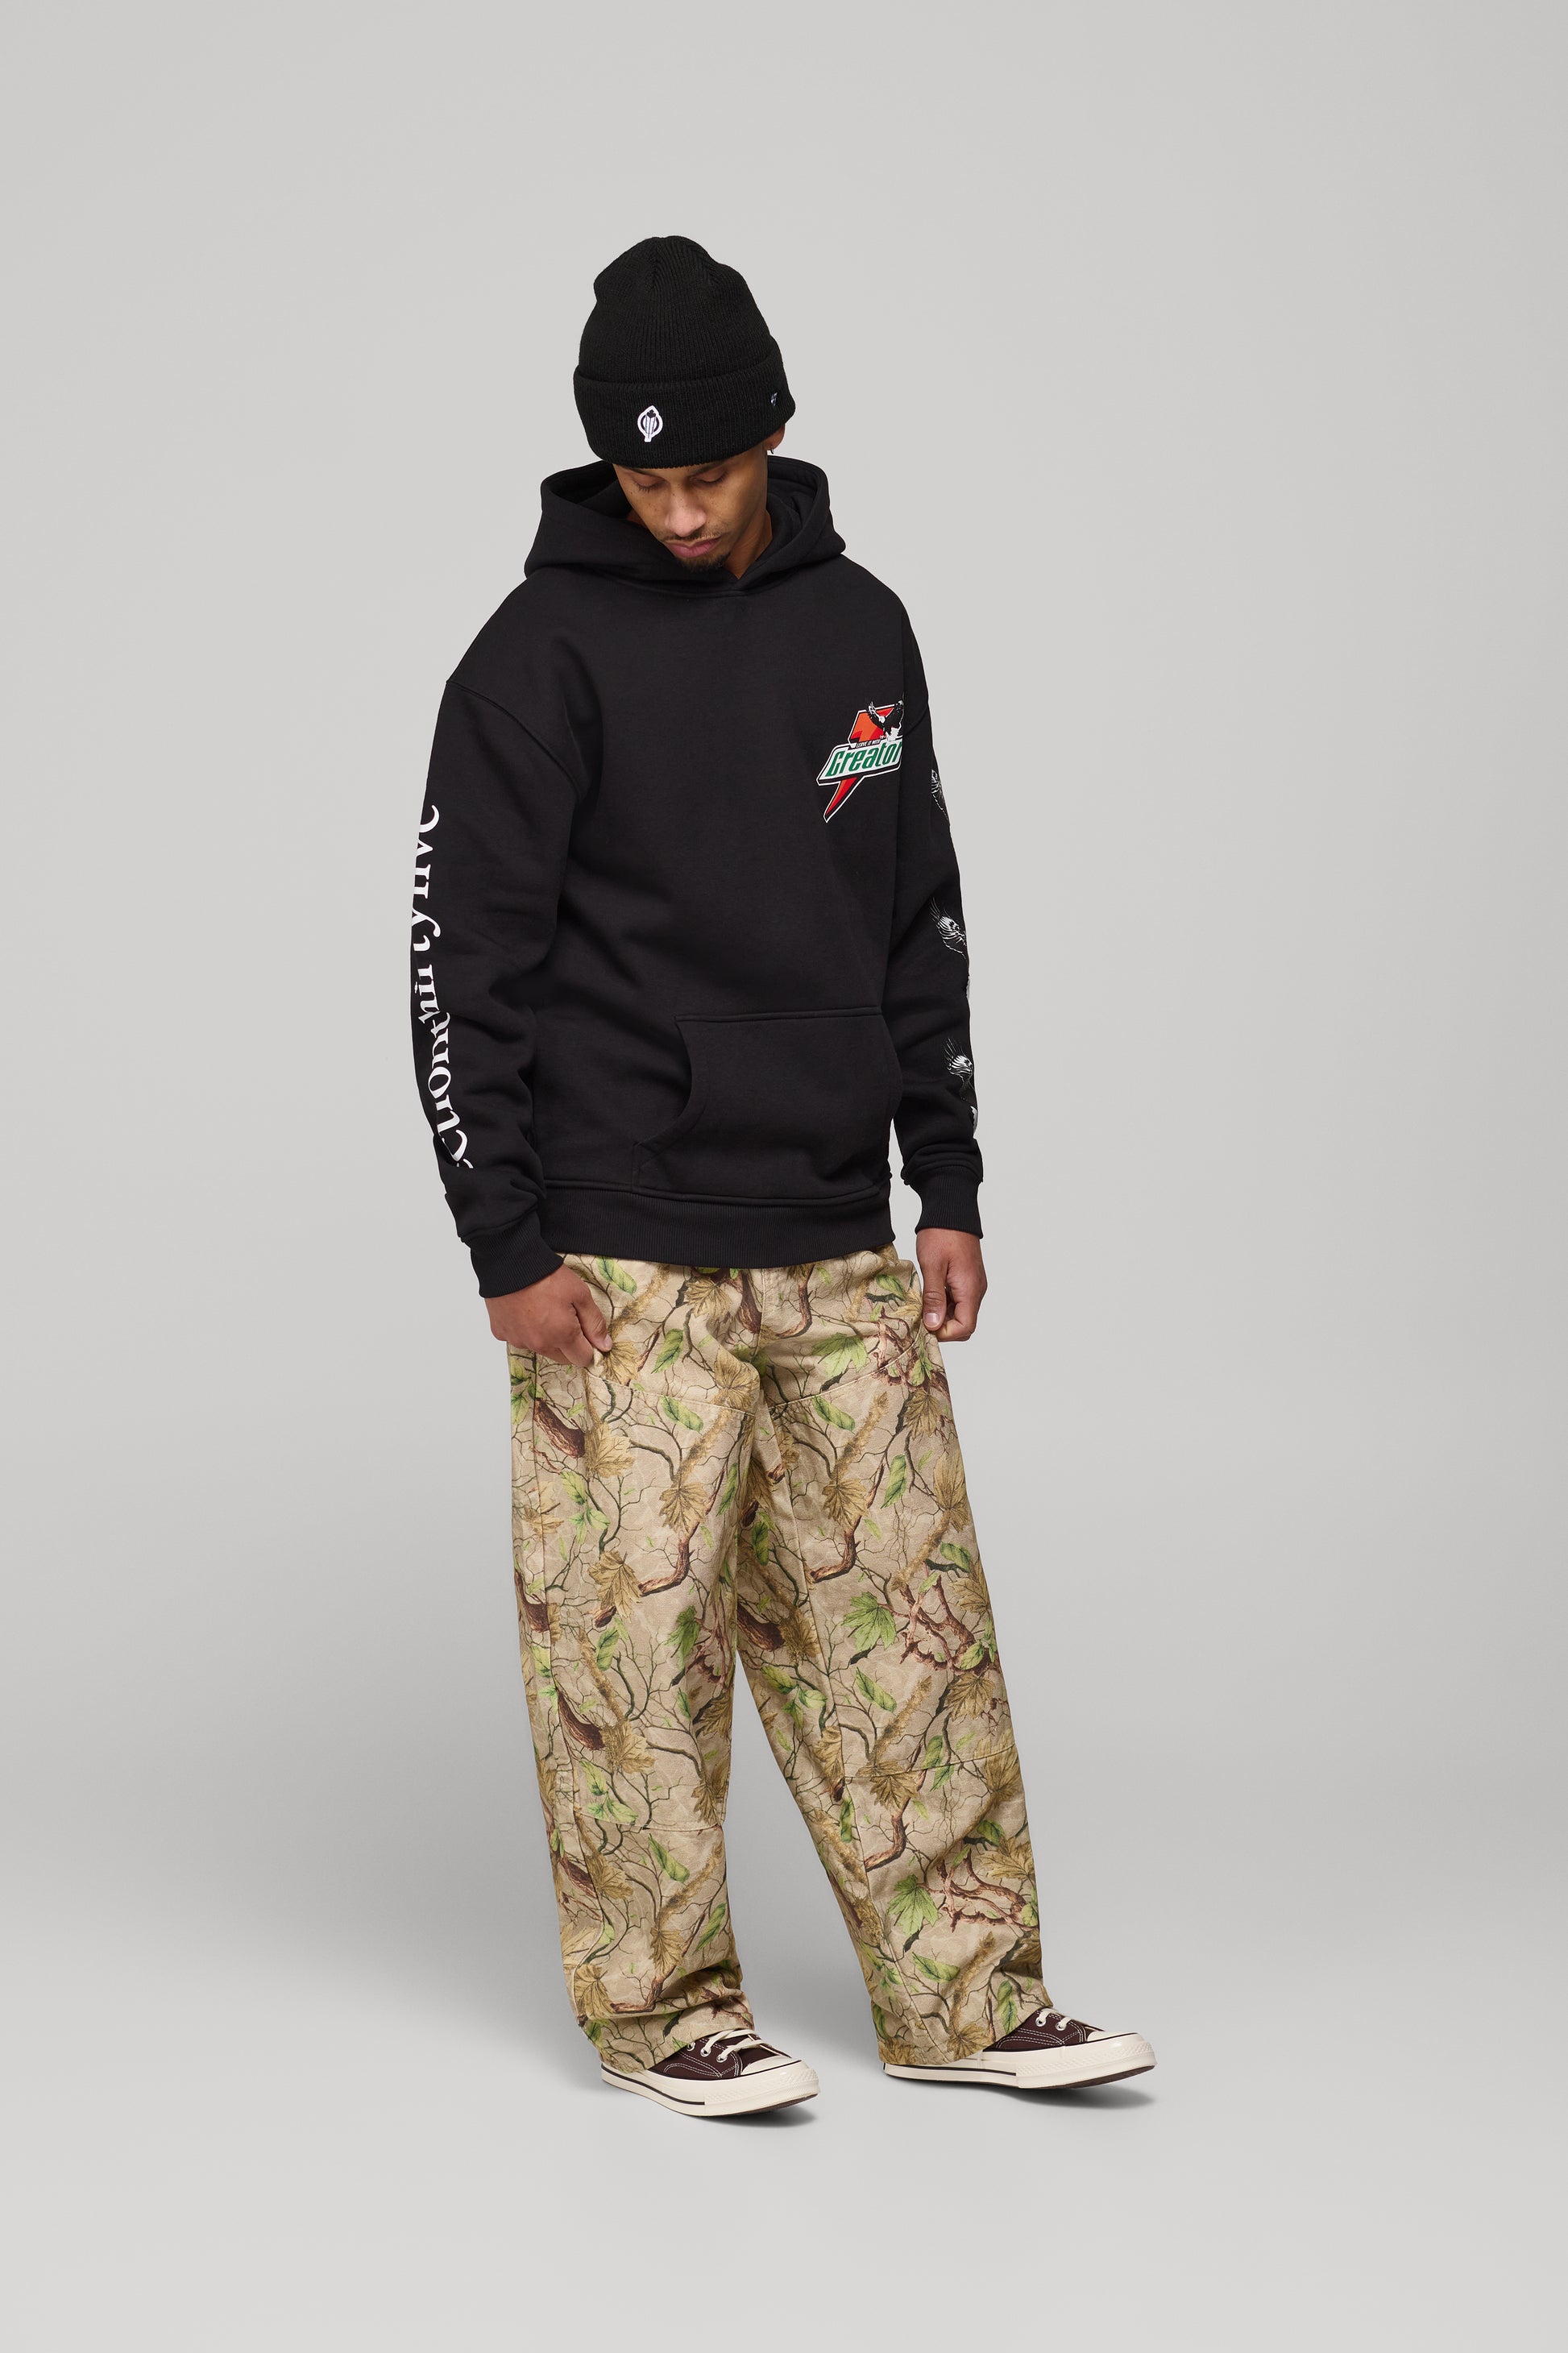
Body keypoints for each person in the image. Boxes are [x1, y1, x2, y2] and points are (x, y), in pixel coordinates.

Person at [409, 235, 1154, 2117]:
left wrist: (946, 1176)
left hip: (832, 1224)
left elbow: (916, 911)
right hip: (618, 1248)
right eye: (646, 476)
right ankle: (666, 2013)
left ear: (774, 436)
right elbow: (456, 966)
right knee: (633, 1648)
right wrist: (505, 1236)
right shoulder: (532, 660)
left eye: (711, 473)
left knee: (903, 1623)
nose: (678, 510)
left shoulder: (860, 631)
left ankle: (966, 1997)